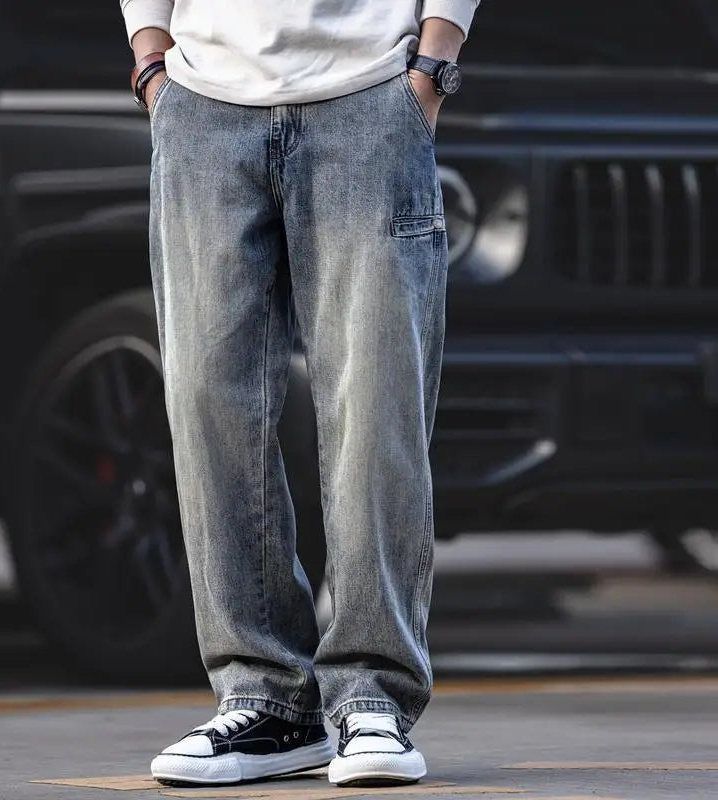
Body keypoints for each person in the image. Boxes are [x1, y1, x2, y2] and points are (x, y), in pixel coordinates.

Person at [119, 0, 479, 787]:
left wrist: (433, 63)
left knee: (375, 404)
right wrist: (150, 60)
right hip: (201, 104)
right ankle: (265, 698)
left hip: (370, 95)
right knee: (208, 405)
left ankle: (373, 693)